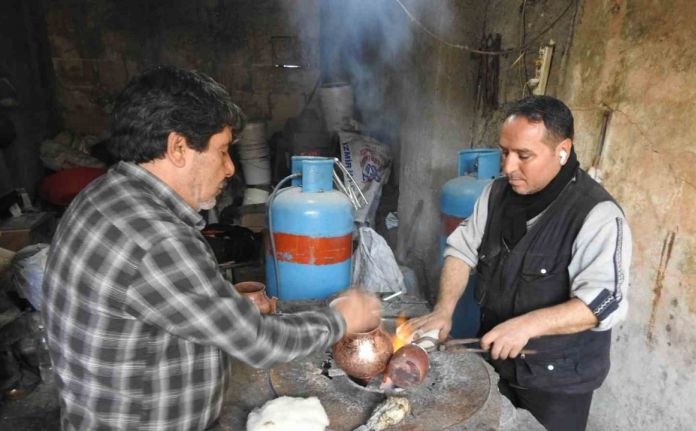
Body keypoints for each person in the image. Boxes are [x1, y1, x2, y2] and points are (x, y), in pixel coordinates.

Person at [41, 65, 380, 431]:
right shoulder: (159, 239)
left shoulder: (102, 194)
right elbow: (258, 343)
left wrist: (215, 298)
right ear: (178, 148)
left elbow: (146, 296)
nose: (231, 168)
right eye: (222, 151)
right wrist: (341, 318)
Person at [405, 95, 631, 431]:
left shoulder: (596, 215)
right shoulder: (495, 194)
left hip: (558, 380)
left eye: (524, 156)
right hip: (497, 363)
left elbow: (601, 304)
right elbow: (461, 250)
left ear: (562, 150)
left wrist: (527, 325)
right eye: (505, 152)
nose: (509, 167)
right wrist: (443, 310)